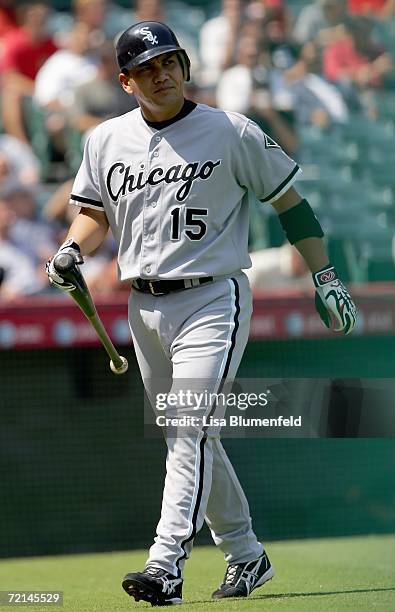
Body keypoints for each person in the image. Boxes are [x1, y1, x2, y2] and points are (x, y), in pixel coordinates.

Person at [45, 21, 357, 606]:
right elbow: (93, 214)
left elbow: (291, 203)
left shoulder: (230, 130)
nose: (160, 74)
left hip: (214, 295)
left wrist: (324, 274)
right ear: (126, 81)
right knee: (191, 437)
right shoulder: (106, 140)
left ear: (184, 65)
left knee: (189, 428)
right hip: (145, 305)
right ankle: (246, 555)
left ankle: (165, 565)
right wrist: (70, 248)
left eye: (169, 61)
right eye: (145, 68)